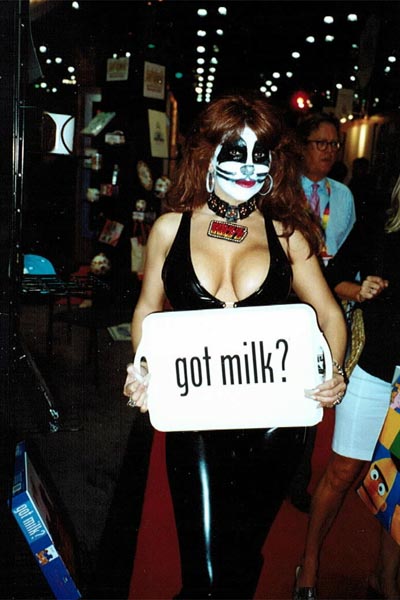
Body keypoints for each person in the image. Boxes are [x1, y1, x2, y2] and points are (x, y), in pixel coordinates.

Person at [123, 93, 347, 599]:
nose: (248, 167)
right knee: (203, 573)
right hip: (196, 417)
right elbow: (147, 309)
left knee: (242, 557)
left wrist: (331, 370)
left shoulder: (286, 234)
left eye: (259, 154)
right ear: (207, 154)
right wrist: (143, 366)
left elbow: (329, 313)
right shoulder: (170, 229)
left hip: (274, 424)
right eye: (234, 152)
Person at [294, 174, 400, 600]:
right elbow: (332, 277)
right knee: (342, 471)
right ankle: (309, 564)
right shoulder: (379, 223)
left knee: (399, 481)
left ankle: (386, 577)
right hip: (374, 370)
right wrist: (360, 289)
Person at [288, 113, 356, 513]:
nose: (329, 151)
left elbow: (350, 252)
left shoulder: (343, 196)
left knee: (313, 387)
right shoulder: (283, 190)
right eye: (321, 143)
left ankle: (298, 479)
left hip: (327, 300)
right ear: (303, 146)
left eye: (334, 144)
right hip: (289, 300)